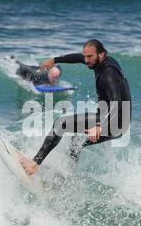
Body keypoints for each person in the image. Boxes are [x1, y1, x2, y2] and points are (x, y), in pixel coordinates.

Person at [19, 39, 131, 175]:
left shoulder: (108, 74)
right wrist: (54, 60)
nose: (86, 60)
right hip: (118, 121)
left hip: (114, 121)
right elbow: (77, 58)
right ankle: (68, 176)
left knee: (61, 124)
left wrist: (99, 126)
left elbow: (116, 102)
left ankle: (34, 164)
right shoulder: (100, 60)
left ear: (101, 54)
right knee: (77, 140)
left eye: (89, 57)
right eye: (85, 56)